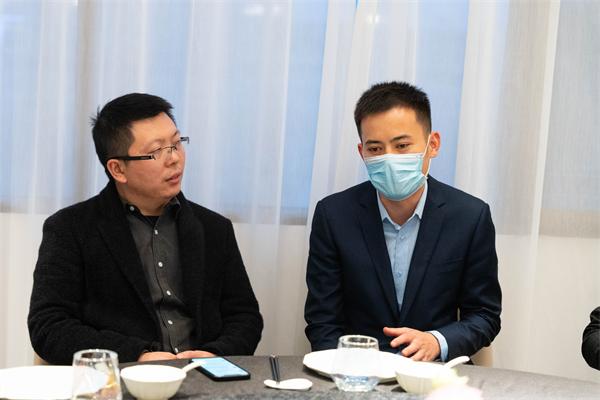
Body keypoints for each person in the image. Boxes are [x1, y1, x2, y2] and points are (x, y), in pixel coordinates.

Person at [28, 93, 263, 365]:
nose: (174, 159)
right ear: (118, 169)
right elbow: (49, 326)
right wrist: (137, 356)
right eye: (156, 151)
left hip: (203, 376)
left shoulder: (214, 228)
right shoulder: (70, 229)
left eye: (176, 143)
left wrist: (214, 355)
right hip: (120, 377)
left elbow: (244, 317)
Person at [304, 82, 501, 361]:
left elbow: (485, 315)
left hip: (434, 372)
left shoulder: (470, 216)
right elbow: (322, 320)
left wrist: (437, 341)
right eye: (375, 148)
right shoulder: (333, 215)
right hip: (357, 372)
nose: (389, 159)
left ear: (433, 144)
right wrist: (343, 371)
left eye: (402, 146)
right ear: (362, 152)